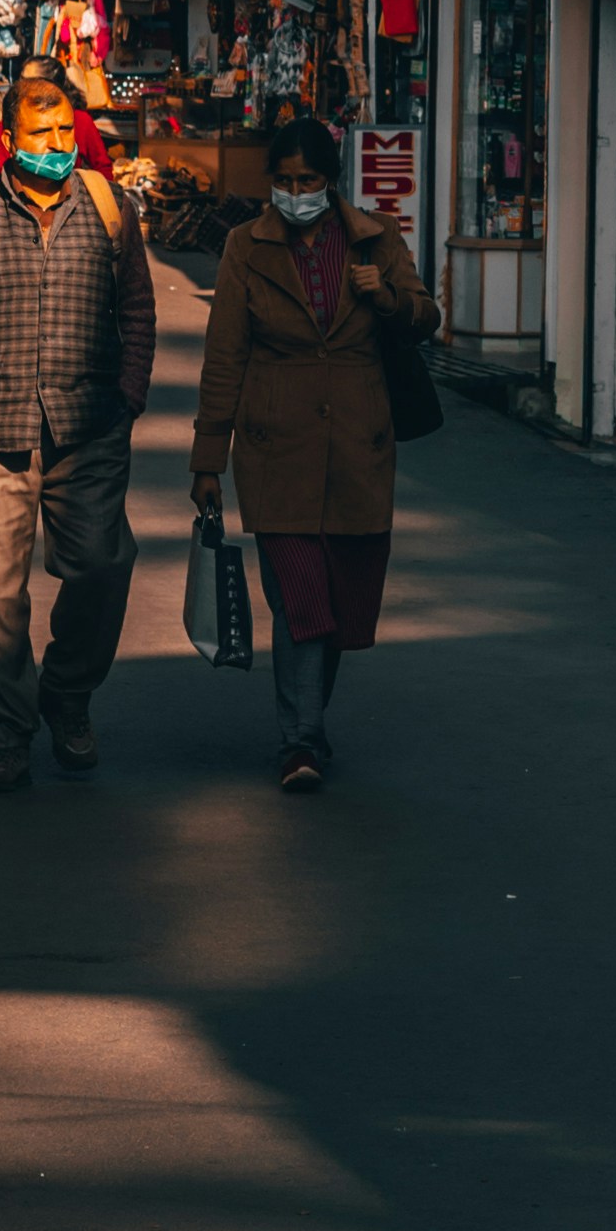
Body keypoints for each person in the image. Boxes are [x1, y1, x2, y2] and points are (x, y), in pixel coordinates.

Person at [0, 56, 156, 796]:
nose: (56, 141)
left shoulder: (110, 208)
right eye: (39, 130)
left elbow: (136, 310)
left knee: (105, 568)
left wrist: (131, 396)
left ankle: (68, 695)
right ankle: (6, 728)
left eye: (63, 127)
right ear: (7, 137)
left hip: (90, 427)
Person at [188, 105, 443, 797]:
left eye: (307, 180)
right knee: (300, 599)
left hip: (360, 446)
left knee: (342, 605)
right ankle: (299, 738)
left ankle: (309, 720)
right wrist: (207, 458)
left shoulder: (376, 239)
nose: (295, 192)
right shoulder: (247, 245)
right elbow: (224, 355)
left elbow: (426, 317)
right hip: (275, 446)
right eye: (284, 179)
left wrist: (385, 296)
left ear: (332, 183)